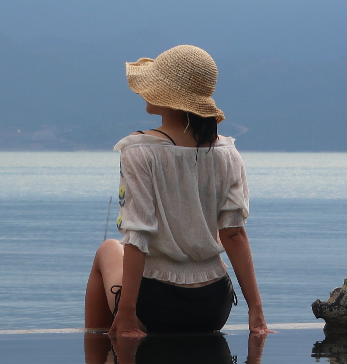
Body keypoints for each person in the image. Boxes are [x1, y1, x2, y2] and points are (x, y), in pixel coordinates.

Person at [84, 44, 271, 337]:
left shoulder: (139, 151)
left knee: (108, 248)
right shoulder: (227, 153)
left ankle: (102, 354)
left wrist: (127, 312)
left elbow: (138, 236)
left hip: (156, 306)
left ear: (165, 95)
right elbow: (234, 235)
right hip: (213, 306)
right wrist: (256, 311)